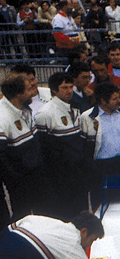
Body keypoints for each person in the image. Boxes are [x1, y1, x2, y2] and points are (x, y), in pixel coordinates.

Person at [35, 72, 85, 220]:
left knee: (80, 212)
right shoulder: (45, 114)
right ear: (54, 91)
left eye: (71, 87)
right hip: (59, 176)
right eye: (64, 88)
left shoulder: (75, 108)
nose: (69, 91)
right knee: (65, 213)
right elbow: (43, 149)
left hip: (77, 172)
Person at [0, 73, 48, 221]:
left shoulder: (26, 110)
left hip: (36, 175)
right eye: (29, 89)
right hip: (20, 183)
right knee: (23, 216)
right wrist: (16, 180)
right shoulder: (3, 118)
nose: (33, 92)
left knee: (42, 214)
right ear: (18, 94)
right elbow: (1, 158)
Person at [79, 83, 120, 209]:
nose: (119, 101)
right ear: (103, 100)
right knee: (101, 205)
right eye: (114, 98)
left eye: (118, 97)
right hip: (100, 169)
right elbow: (83, 146)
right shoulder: (88, 117)